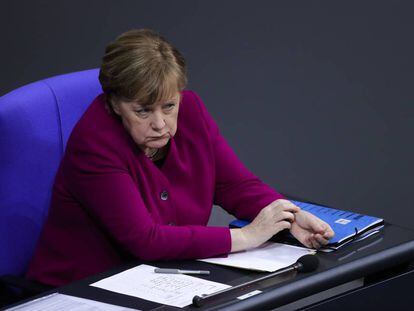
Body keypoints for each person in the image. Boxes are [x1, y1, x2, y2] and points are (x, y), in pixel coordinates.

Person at [26, 29, 334, 287]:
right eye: (143, 111)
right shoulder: (94, 144)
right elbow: (146, 240)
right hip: (83, 289)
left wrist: (288, 217)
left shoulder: (192, 111)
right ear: (115, 103)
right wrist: (247, 236)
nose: (160, 123)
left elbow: (233, 184)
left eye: (169, 106)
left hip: (159, 279)